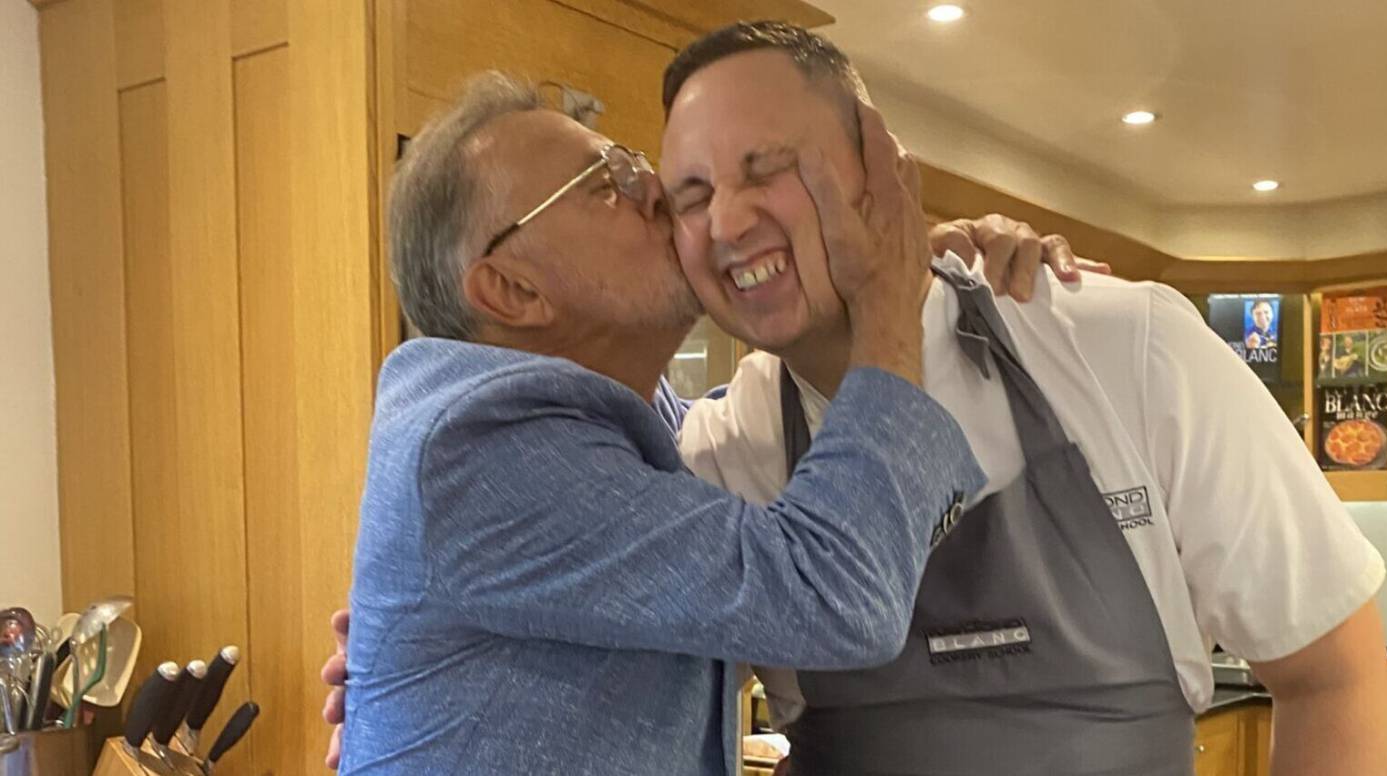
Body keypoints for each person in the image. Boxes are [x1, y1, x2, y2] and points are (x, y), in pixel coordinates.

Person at [655, 21, 1387, 776]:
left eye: (767, 168)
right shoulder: (721, 454)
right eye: (691, 195)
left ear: (883, 170)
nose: (727, 222)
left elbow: (1335, 678)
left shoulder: (1126, 349)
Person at [332, 68, 1083, 775]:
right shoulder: (480, 445)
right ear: (511, 290)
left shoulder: (620, 425)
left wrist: (938, 286)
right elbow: (834, 595)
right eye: (606, 184)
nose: (655, 191)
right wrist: (889, 300)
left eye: (635, 164)